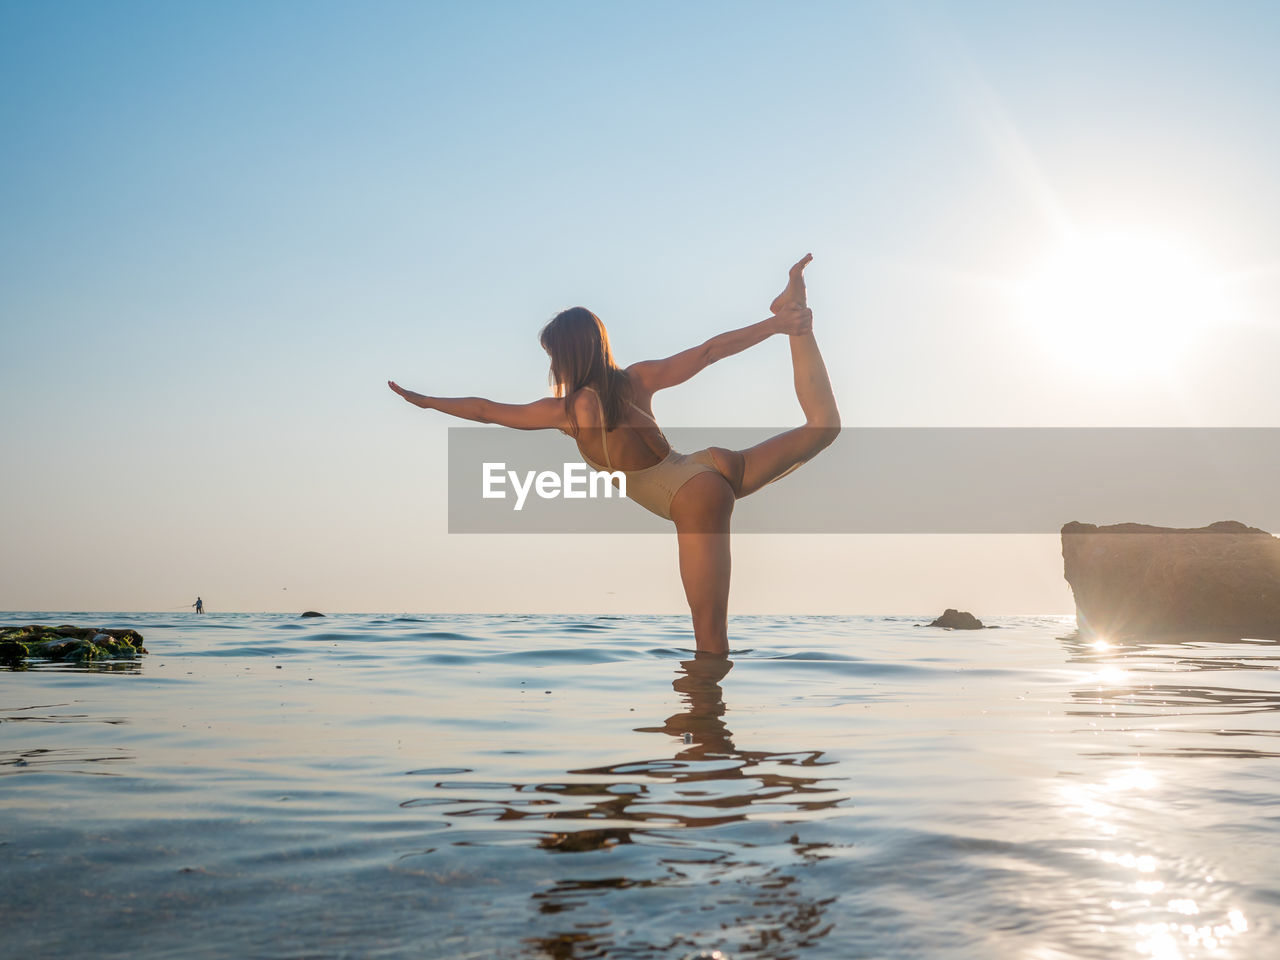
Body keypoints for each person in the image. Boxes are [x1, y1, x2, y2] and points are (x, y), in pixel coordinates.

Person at [388, 255, 839, 655]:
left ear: (564, 355)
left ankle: (708, 744)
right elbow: (709, 352)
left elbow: (487, 411)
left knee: (710, 643)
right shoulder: (638, 378)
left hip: (694, 498)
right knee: (823, 426)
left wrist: (429, 402)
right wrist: (774, 326)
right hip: (709, 465)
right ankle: (794, 319)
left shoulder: (566, 412)